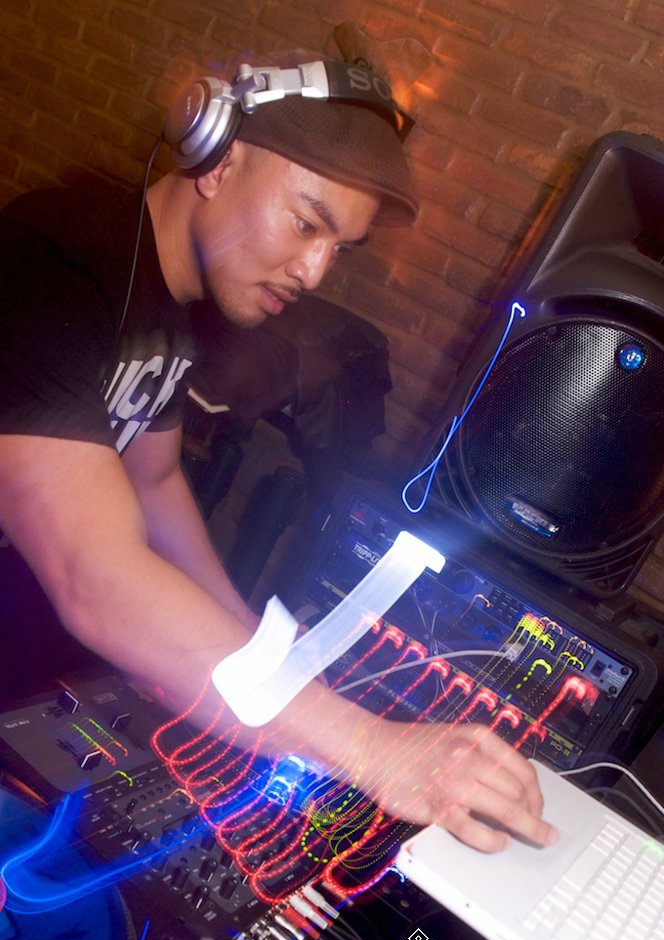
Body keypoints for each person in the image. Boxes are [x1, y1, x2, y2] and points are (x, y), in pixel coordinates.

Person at [0, 51, 558, 854]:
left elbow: (154, 481)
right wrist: (369, 746)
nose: (315, 270)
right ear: (218, 161)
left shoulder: (175, 298)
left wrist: (266, 652)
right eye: (306, 223)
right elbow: (97, 579)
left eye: (340, 248)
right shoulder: (47, 261)